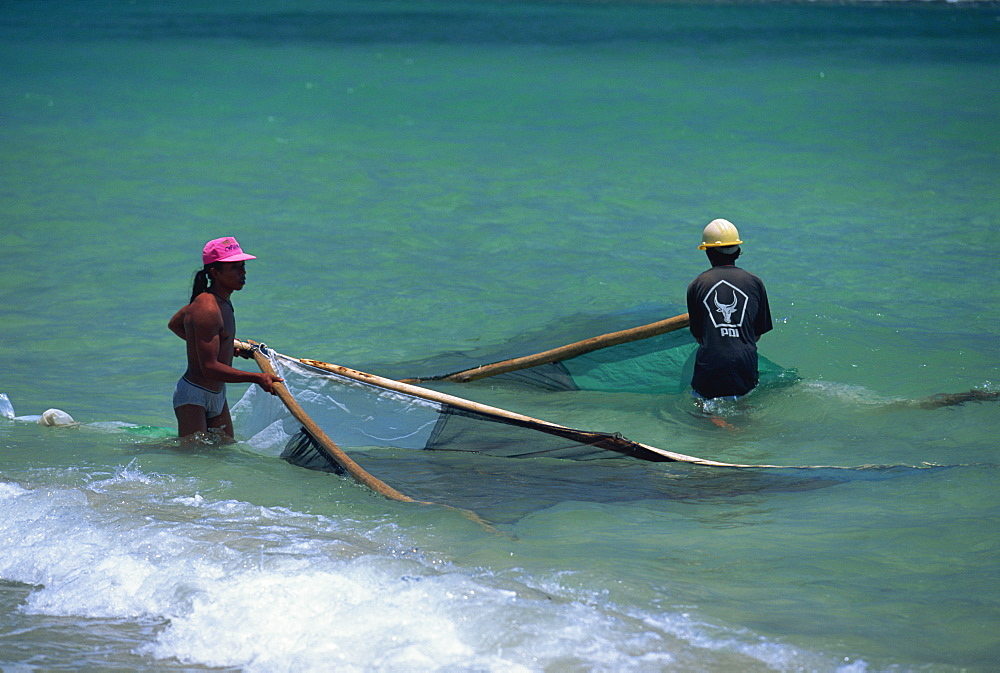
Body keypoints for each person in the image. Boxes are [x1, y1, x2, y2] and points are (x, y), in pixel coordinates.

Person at [168, 237, 282, 440]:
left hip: (217, 393)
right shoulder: (206, 306)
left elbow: (175, 324)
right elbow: (208, 367)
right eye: (235, 267)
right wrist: (257, 378)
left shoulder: (221, 301)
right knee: (194, 460)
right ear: (215, 272)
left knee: (224, 454)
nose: (243, 272)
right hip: (194, 395)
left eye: (243, 265)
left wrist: (224, 347)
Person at [686, 219, 772, 401]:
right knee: (744, 410)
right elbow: (757, 334)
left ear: (708, 252)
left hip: (711, 364)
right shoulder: (755, 283)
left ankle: (718, 423)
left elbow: (699, 337)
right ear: (738, 251)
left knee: (702, 412)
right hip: (745, 366)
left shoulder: (696, 285)